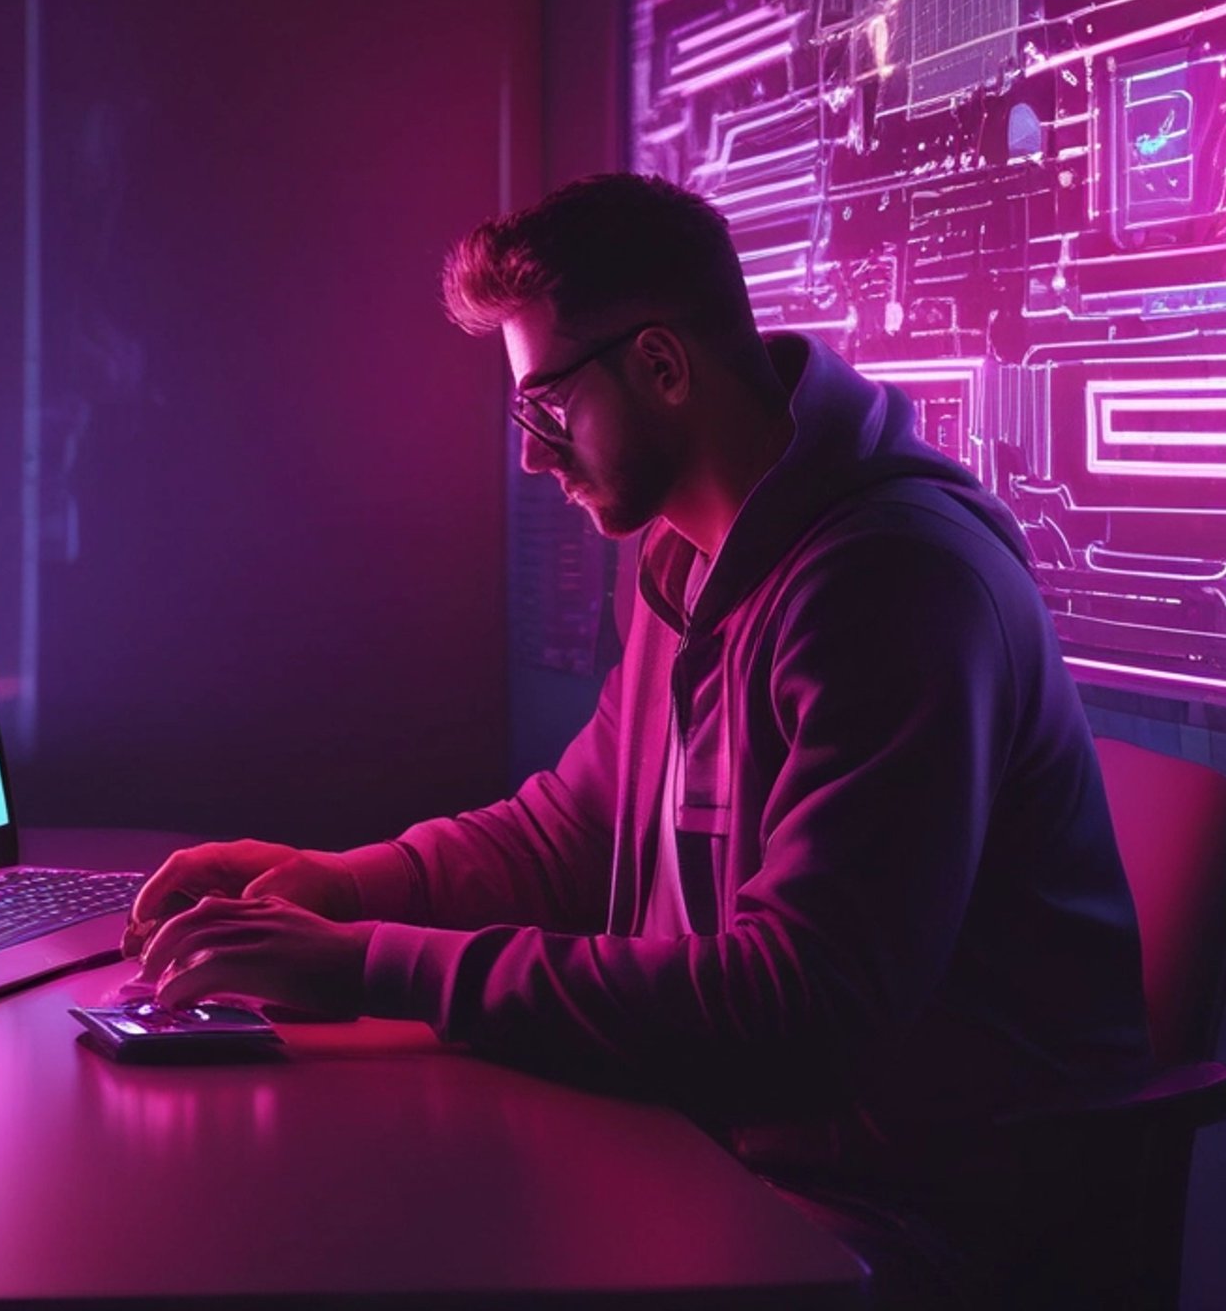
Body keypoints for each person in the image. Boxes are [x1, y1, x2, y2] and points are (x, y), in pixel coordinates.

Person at [126, 172, 1150, 1303]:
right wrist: (336, 887)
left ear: (662, 366)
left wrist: (370, 966)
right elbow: (574, 832)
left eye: (546, 406)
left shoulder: (893, 585)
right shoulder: (686, 562)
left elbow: (800, 1004)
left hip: (908, 1228)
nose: (530, 453)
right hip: (738, 1161)